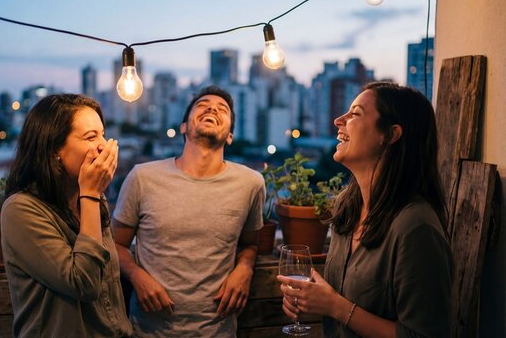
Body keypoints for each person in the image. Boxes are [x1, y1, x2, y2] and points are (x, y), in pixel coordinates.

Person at [277, 82, 453, 337]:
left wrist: (335, 306)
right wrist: (313, 298)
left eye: (355, 113)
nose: (339, 120)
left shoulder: (416, 227)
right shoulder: (346, 208)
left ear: (391, 135)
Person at [113, 86, 265, 337]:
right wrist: (136, 276)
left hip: (218, 331)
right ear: (183, 126)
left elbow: (251, 244)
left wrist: (245, 268)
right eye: (203, 104)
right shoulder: (143, 176)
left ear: (230, 136)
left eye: (222, 109)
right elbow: (116, 244)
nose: (212, 108)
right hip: (149, 331)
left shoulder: (251, 183)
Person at [0, 94, 132, 338]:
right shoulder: (20, 209)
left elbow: (109, 287)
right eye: (91, 137)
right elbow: (84, 283)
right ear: (53, 150)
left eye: (103, 134)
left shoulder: (92, 199)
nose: (104, 145)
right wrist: (91, 193)